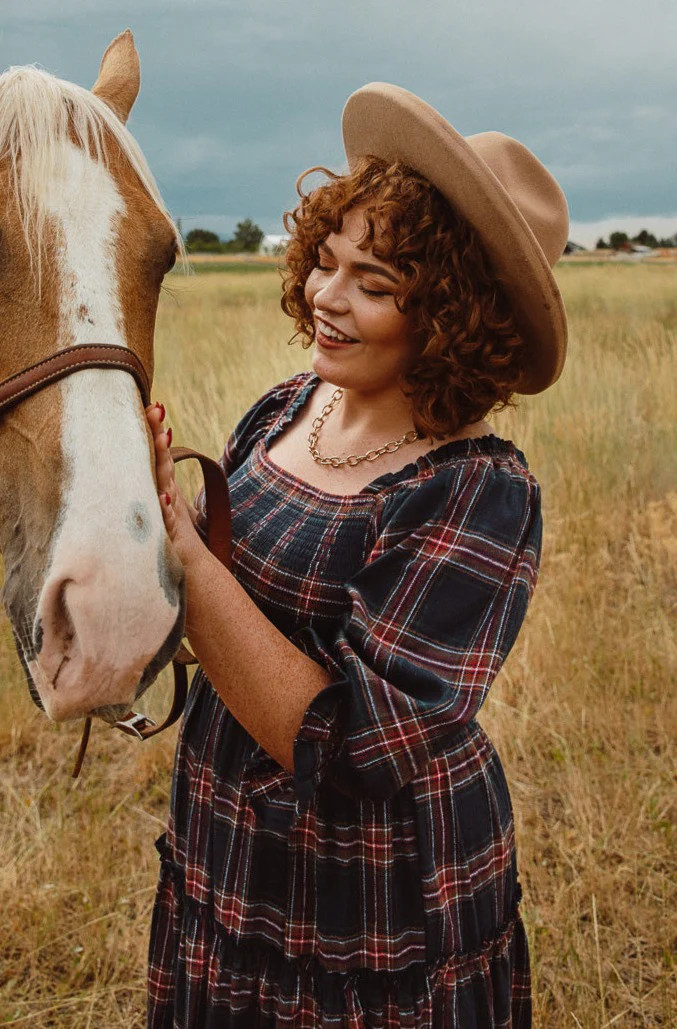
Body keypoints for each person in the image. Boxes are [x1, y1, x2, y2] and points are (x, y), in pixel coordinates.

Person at [144, 83, 568, 1028]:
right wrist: (141, 505)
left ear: (454, 314)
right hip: (226, 841)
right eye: (326, 261)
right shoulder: (289, 405)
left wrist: (188, 556)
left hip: (370, 899)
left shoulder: (475, 491)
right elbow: (197, 601)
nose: (325, 298)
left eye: (373, 285)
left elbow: (350, 744)